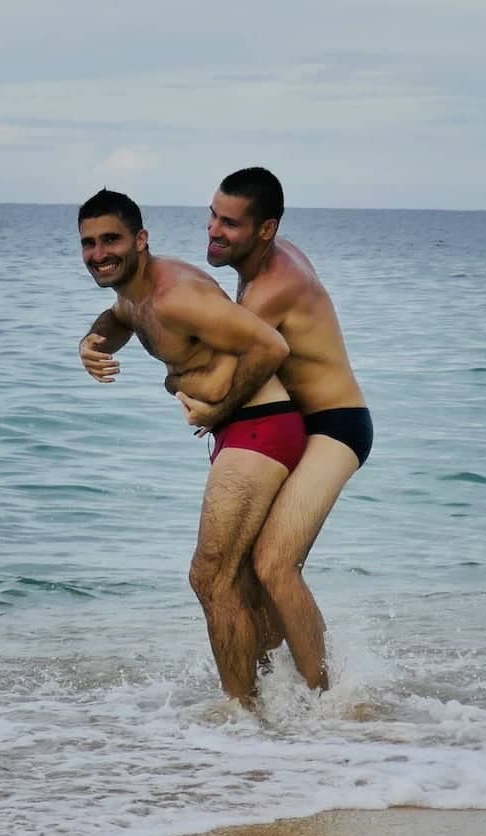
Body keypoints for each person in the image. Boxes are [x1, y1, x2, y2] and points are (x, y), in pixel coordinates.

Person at [74, 188, 303, 704]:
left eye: (111, 239)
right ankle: (284, 704)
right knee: (241, 582)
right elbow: (120, 316)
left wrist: (220, 410)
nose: (98, 253)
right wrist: (89, 343)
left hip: (258, 426)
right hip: (243, 431)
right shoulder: (134, 293)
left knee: (210, 576)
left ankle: (241, 715)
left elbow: (271, 345)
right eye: (88, 243)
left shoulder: (177, 294)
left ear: (141, 239)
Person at [176, 167, 373, 693]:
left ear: (266, 230)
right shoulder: (262, 258)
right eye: (212, 216)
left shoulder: (273, 287)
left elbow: (232, 364)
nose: (214, 231)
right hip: (299, 424)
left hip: (337, 427)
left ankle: (329, 700)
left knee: (275, 564)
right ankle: (272, 691)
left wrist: (210, 408)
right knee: (245, 572)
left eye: (231, 223)